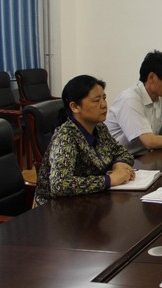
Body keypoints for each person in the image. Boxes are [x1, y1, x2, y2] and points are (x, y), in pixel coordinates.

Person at [34, 75, 136, 206]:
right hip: (56, 209)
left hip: (89, 201)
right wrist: (108, 180)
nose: (104, 105)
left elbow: (121, 152)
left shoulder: (99, 127)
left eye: (104, 98)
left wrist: (119, 166)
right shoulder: (66, 136)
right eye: (96, 100)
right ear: (75, 107)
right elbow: (60, 184)